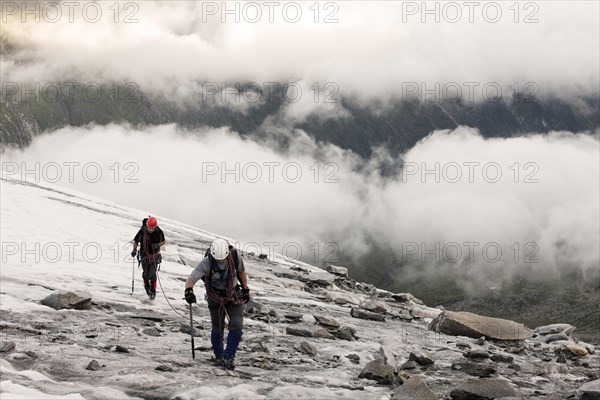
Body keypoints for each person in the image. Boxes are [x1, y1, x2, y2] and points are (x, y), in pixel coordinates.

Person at [184, 238, 250, 370]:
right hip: (215, 296)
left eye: (223, 259)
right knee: (218, 327)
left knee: (237, 325)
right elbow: (191, 279)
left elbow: (241, 271)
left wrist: (245, 288)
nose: (220, 261)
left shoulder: (235, 257)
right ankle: (219, 355)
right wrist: (189, 291)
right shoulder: (207, 262)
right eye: (218, 259)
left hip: (233, 294)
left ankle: (228, 357)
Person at [131, 216, 165, 300]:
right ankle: (147, 287)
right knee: (146, 273)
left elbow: (163, 241)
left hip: (154, 256)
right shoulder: (143, 231)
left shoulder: (159, 231)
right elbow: (136, 241)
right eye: (149, 228)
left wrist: (157, 245)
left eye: (152, 228)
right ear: (147, 225)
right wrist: (134, 250)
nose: (151, 229)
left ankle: (153, 291)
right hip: (144, 255)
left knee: (152, 274)